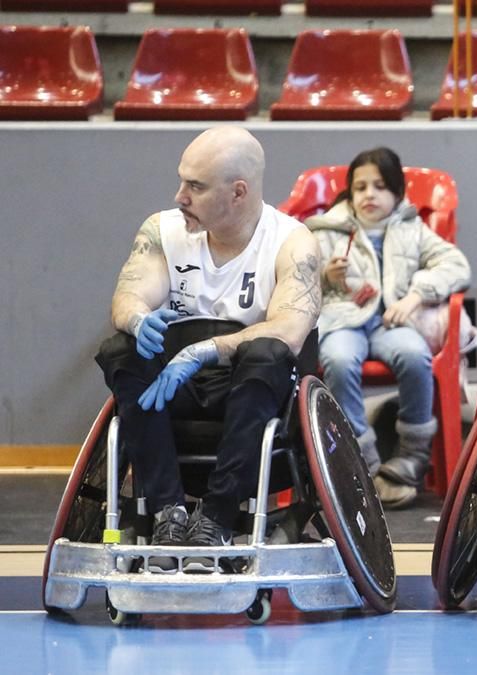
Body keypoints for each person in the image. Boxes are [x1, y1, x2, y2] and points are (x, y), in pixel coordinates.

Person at [95, 127, 322, 573]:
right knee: (121, 349)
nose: (180, 196)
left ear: (238, 192)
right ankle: (168, 514)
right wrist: (137, 318)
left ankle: (216, 518)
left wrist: (204, 350)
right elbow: (129, 295)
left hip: (249, 387)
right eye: (182, 180)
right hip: (172, 387)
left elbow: (291, 330)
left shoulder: (293, 243)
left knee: (267, 352)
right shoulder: (162, 230)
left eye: (195, 186)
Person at [306, 147, 477, 510]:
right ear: (349, 193)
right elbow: (296, 278)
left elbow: (456, 266)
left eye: (380, 186)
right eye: (360, 187)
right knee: (338, 360)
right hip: (343, 320)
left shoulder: (411, 228)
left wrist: (415, 296)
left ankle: (411, 457)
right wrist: (325, 275)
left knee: (415, 356)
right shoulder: (326, 230)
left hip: (393, 321)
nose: (369, 195)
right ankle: (361, 460)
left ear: (398, 192)